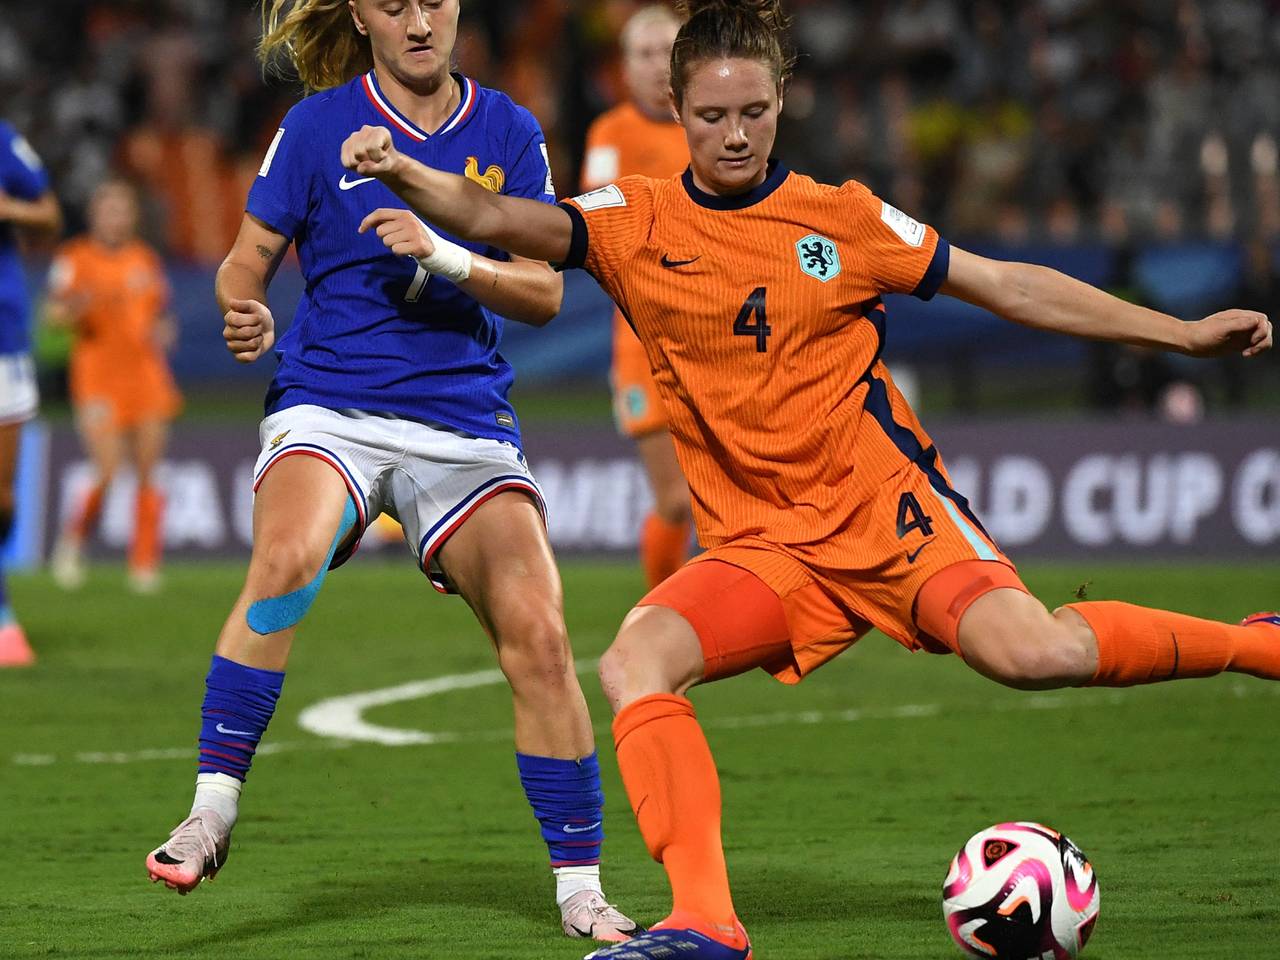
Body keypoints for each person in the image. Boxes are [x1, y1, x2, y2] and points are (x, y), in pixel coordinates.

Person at [340, 1, 1277, 957]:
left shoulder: (845, 219)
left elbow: (1005, 284)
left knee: (1033, 655)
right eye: (710, 116)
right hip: (765, 546)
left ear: (782, 99)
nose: (735, 134)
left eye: (754, 111)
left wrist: (1180, 333)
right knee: (636, 660)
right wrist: (407, 170)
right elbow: (498, 217)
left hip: (887, 511)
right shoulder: (635, 221)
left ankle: (1252, 647)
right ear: (673, 105)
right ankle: (705, 922)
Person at [143, 0, 639, 944]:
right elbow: (243, 264)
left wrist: (449, 256)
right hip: (331, 404)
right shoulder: (317, 125)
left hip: (462, 418)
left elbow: (542, 293)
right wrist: (243, 308)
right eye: (394, 3)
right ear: (361, 18)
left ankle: (581, 889)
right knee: (286, 558)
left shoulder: (508, 129)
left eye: (437, 1)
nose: (421, 21)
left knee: (540, 634)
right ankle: (212, 808)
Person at [581, 4, 693, 589]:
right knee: (675, 500)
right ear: (624, 67)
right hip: (644, 343)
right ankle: (663, 610)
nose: (656, 66)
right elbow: (599, 222)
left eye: (667, 53)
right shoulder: (611, 134)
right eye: (644, 54)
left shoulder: (709, 130)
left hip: (715, 339)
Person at [47, 179, 182, 594]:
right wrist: (74, 309)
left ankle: (144, 564)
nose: (115, 217)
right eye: (108, 209)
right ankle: (73, 543)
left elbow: (162, 317)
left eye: (122, 210)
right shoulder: (74, 258)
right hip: (98, 379)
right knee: (106, 471)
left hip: (146, 377)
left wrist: (163, 332)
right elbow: (52, 316)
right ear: (94, 215)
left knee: (147, 472)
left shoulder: (145, 259)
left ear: (132, 217)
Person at [0, 119, 61, 668]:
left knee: (1, 498)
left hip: (3, 337)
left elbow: (49, 212)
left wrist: (8, 210)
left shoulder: (3, 141)